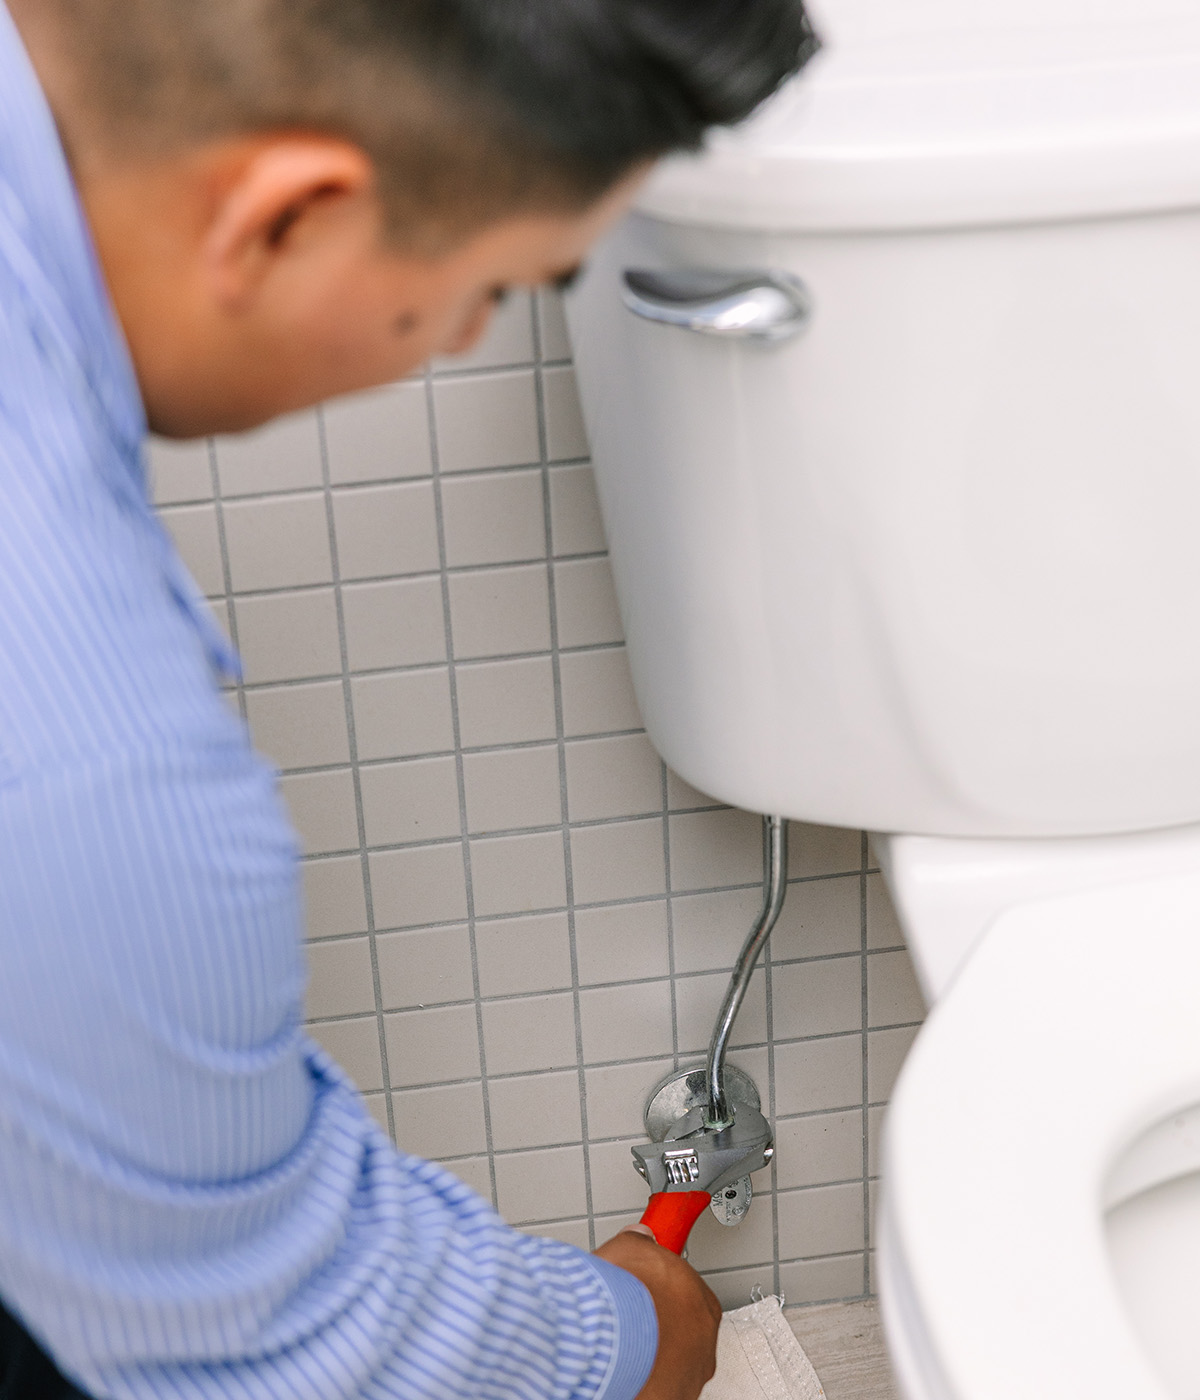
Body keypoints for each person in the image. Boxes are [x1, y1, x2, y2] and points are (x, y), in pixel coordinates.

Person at [0, 2, 816, 1397]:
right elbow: (272, 1334)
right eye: (489, 288)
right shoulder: (96, 776)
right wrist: (633, 1340)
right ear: (287, 219)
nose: (455, 339)